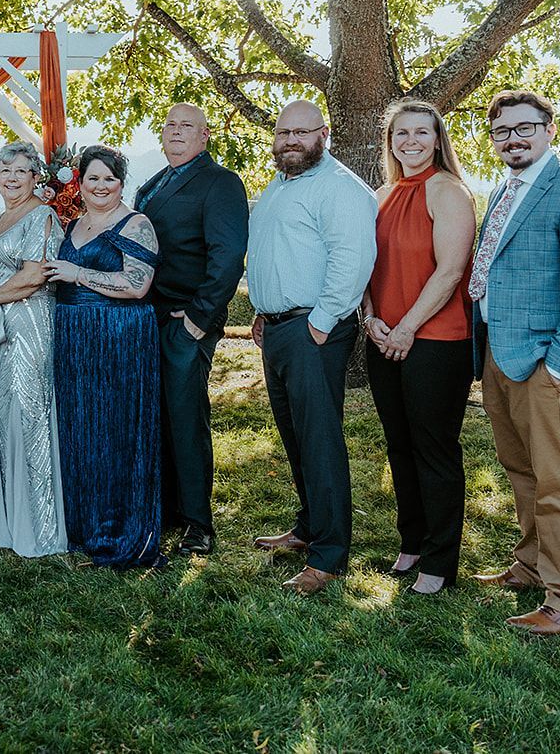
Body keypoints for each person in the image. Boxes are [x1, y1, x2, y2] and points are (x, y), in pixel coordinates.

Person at [469, 90, 560, 636]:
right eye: (502, 131)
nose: (514, 138)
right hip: (499, 355)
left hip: (546, 365)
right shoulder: (503, 191)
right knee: (522, 471)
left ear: (550, 129)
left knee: (559, 482)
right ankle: (531, 567)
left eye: (524, 127)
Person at [246, 100, 377, 596]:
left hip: (313, 332)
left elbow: (354, 257)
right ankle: (307, 528)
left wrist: (320, 324)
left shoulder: (339, 187)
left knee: (319, 441)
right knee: (296, 436)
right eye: (284, 133)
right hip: (281, 328)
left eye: (302, 132)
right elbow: (279, 253)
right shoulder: (282, 183)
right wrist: (264, 308)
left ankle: (329, 556)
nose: (291, 140)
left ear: (323, 133)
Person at [360, 100, 476, 596]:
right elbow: (363, 261)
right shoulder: (381, 194)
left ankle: (440, 561)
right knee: (399, 446)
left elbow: (450, 271)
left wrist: (406, 327)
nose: (410, 141)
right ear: (390, 141)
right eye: (401, 133)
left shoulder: (448, 192)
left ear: (437, 140)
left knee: (434, 449)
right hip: (385, 336)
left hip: (435, 339)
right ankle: (411, 543)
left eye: (421, 133)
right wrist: (370, 317)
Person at [134, 103, 249, 557]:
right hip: (147, 319)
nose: (177, 132)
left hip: (186, 321)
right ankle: (167, 511)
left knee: (186, 419)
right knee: (157, 417)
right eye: (170, 125)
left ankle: (199, 524)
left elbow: (227, 257)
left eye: (187, 126)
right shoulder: (150, 185)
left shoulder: (220, 183)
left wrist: (200, 320)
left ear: (205, 137)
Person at [47, 145, 163, 568]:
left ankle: (119, 532)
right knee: (79, 428)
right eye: (93, 178)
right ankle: (82, 526)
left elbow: (137, 285)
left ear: (121, 183)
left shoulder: (136, 224)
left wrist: (78, 274)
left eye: (109, 179)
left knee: (115, 430)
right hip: (74, 339)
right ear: (79, 181)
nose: (101, 186)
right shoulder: (72, 224)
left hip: (119, 339)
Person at [0, 141, 66, 557]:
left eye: (21, 171)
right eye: (5, 170)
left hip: (28, 326)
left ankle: (38, 526)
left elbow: (34, 275)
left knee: (28, 416)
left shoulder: (42, 216)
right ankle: (2, 517)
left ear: (35, 177)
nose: (12, 178)